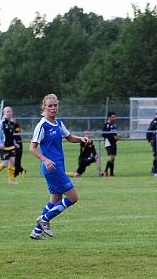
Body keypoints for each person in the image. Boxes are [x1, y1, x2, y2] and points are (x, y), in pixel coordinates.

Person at [29, 94, 89, 240]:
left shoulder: (58, 123)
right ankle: (45, 219)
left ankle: (36, 232)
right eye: (50, 105)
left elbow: (69, 137)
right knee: (73, 197)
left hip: (59, 166)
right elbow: (32, 148)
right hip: (52, 167)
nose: (53, 108)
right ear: (44, 108)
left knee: (55, 199)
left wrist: (80, 139)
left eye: (55, 105)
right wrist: (45, 160)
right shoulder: (42, 125)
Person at [0, 106, 19, 184]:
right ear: (4, 113)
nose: (9, 113)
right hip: (4, 146)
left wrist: (15, 143)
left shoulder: (11, 123)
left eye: (10, 111)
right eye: (7, 112)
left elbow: (11, 134)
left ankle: (11, 180)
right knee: (5, 164)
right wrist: (0, 143)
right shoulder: (2, 123)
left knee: (12, 161)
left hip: (11, 145)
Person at [101, 112, 120, 177]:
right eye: (113, 117)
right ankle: (105, 171)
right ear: (109, 117)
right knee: (112, 157)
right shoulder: (106, 125)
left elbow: (114, 133)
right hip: (108, 142)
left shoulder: (113, 125)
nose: (114, 118)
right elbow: (104, 134)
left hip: (113, 143)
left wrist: (116, 137)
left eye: (115, 117)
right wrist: (112, 137)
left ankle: (111, 173)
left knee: (113, 158)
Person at [11, 110, 26, 179]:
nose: (13, 120)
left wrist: (18, 143)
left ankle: (21, 171)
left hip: (18, 143)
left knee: (17, 159)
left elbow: (18, 134)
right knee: (13, 160)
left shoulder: (16, 126)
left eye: (13, 119)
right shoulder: (9, 125)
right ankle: (16, 172)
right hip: (12, 143)